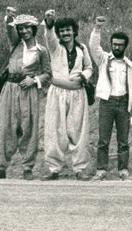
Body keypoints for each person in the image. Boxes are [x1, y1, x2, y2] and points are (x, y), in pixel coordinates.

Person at [0, 9, 51, 180]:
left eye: (27, 28)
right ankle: (0, 167)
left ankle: (28, 167)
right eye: (21, 28)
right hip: (10, 88)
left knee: (29, 128)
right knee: (5, 126)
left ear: (34, 29)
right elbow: (9, 29)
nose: (24, 31)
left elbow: (47, 73)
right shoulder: (15, 43)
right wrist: (9, 16)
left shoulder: (41, 50)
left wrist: (34, 80)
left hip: (29, 90)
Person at [40, 10, 94, 181]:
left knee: (78, 131)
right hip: (57, 93)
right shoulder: (55, 46)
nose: (65, 33)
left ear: (74, 31)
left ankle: (79, 169)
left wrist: (84, 76)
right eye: (62, 30)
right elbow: (49, 35)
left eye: (68, 30)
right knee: (55, 131)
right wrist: (49, 22)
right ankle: (54, 169)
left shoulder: (82, 48)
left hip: (78, 93)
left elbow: (89, 67)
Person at [89, 16, 132, 181]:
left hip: (124, 103)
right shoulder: (103, 59)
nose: (117, 47)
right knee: (103, 139)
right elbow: (93, 46)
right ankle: (101, 170)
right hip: (107, 102)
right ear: (111, 45)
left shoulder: (130, 66)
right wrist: (97, 28)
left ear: (125, 46)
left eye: (120, 44)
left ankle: (123, 170)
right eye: (114, 44)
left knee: (123, 141)